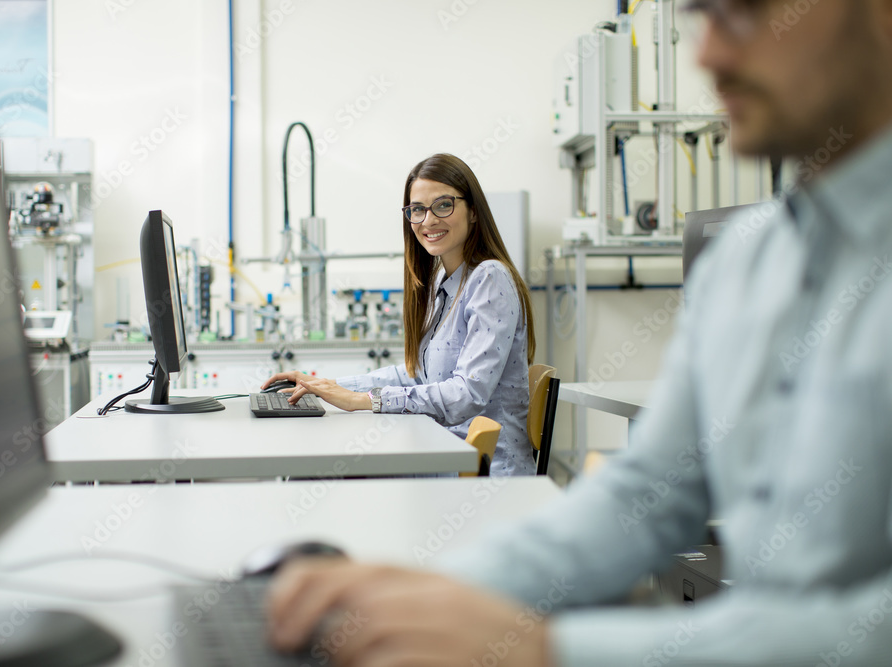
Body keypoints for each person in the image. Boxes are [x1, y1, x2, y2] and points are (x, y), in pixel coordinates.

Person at [265, 0, 892, 664]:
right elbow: (646, 494)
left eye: (744, 10)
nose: (705, 55)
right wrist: (432, 596)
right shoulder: (742, 260)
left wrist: (549, 648)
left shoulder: (491, 279)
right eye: (701, 15)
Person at [262, 153, 537, 476]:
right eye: (417, 209)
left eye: (443, 205)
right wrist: (327, 385)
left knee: (317, 472)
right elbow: (418, 374)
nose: (428, 220)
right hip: (446, 454)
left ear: (473, 211)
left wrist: (364, 400)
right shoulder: (443, 282)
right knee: (317, 468)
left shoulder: (489, 278)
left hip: (484, 474)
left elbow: (467, 394)